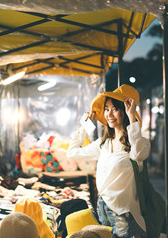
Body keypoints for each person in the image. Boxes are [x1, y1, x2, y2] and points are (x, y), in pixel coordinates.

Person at [67, 84, 150, 238]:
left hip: (124, 213)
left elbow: (138, 154)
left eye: (115, 109)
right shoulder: (103, 144)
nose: (109, 114)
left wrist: (132, 116)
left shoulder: (138, 143)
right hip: (102, 208)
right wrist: (84, 128)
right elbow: (71, 153)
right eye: (106, 109)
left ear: (125, 110)